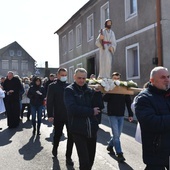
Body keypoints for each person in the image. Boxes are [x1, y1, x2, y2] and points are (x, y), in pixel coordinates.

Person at [64, 68, 104, 170]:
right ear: (74, 77)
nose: (81, 80)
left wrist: (98, 93)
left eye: (83, 78)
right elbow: (72, 109)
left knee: (91, 160)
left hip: (92, 130)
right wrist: (91, 111)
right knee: (84, 161)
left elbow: (99, 107)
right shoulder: (69, 90)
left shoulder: (90, 90)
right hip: (78, 130)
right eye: (79, 78)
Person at [135, 66, 170, 170]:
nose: (167, 79)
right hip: (156, 154)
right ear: (152, 80)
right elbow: (151, 123)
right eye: (163, 77)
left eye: (168, 76)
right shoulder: (143, 98)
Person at [103, 72, 133, 162]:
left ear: (120, 79)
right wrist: (111, 90)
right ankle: (119, 153)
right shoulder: (110, 88)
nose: (116, 80)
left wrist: (130, 114)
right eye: (114, 78)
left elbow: (128, 102)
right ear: (112, 79)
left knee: (118, 135)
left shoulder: (123, 88)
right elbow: (104, 99)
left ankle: (110, 146)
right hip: (112, 115)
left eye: (118, 78)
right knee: (116, 135)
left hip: (121, 114)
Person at [46, 68, 74, 166]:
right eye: (62, 75)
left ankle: (68, 156)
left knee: (71, 136)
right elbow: (49, 101)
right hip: (58, 115)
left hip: (70, 115)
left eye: (65, 75)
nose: (64, 77)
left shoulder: (70, 86)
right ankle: (55, 148)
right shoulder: (52, 86)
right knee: (57, 134)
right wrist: (50, 115)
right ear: (58, 75)